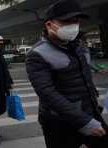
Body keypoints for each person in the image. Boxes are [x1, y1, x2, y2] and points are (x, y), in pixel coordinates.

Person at [26, 0, 108, 147]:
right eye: (66, 21)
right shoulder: (37, 54)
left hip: (90, 112)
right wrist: (84, 121)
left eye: (76, 21)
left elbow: (85, 74)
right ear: (49, 25)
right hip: (59, 122)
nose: (73, 25)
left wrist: (94, 98)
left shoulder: (79, 45)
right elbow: (47, 93)